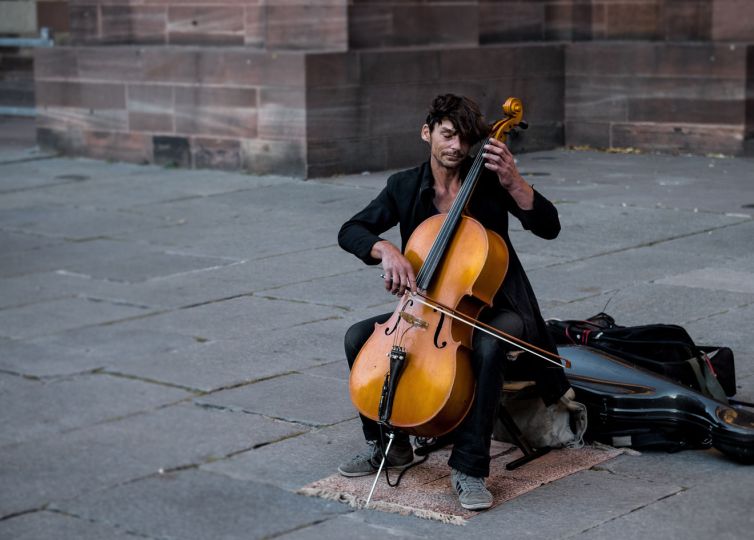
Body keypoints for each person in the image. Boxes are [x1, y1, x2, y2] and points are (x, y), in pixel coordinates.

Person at [337, 93, 571, 511]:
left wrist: (515, 182)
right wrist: (384, 249)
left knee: (488, 343)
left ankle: (470, 467)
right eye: (447, 135)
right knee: (358, 337)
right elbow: (351, 229)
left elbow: (549, 227)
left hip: (498, 305)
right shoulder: (404, 186)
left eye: (464, 139)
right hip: (430, 307)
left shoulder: (489, 183)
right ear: (427, 132)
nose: (456, 148)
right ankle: (389, 447)